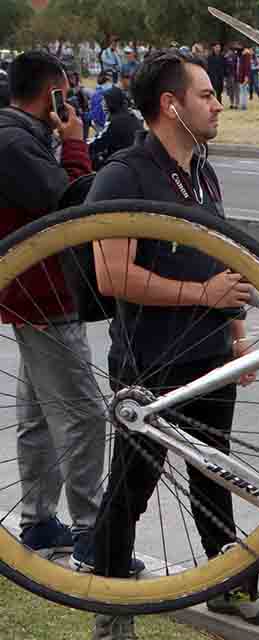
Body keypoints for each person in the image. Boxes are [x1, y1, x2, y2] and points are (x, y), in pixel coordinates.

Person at [83, 50, 259, 640]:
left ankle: (226, 580)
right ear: (171, 106)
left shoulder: (202, 171)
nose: (218, 102)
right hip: (148, 362)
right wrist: (203, 297)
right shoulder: (125, 175)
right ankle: (109, 615)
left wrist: (234, 333)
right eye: (205, 94)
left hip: (206, 354)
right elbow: (110, 273)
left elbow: (220, 262)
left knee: (213, 468)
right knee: (135, 483)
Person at [0, 51, 107, 563]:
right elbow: (73, 206)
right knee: (85, 414)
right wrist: (75, 144)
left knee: (39, 415)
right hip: (44, 295)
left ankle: (39, 520)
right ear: (52, 95)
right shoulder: (16, 142)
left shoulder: (15, 136)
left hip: (29, 294)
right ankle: (92, 530)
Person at [89, 85, 143, 168]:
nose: (102, 103)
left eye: (104, 100)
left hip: (122, 164)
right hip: (135, 161)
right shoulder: (131, 116)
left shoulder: (114, 121)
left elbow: (98, 144)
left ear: (111, 102)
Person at [224, 44, 240, 110]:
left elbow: (237, 67)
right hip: (228, 76)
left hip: (235, 76)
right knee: (230, 91)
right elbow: (224, 67)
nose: (229, 52)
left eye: (230, 51)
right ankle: (231, 103)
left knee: (236, 90)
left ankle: (236, 104)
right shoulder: (226, 58)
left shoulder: (236, 57)